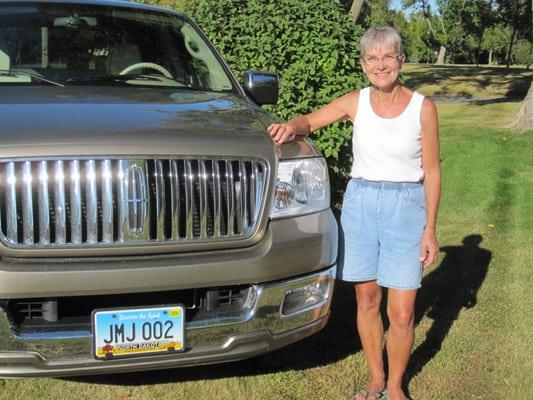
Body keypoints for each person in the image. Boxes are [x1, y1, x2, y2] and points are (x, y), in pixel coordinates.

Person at [267, 26, 440, 400]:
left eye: (388, 56)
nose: (381, 65)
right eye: (373, 58)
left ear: (401, 60)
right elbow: (310, 121)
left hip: (405, 208)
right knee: (365, 300)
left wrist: (430, 230)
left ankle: (395, 387)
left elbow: (433, 171)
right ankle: (376, 379)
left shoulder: (422, 108)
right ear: (363, 66)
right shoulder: (355, 102)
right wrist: (289, 127)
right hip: (361, 206)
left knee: (403, 312)